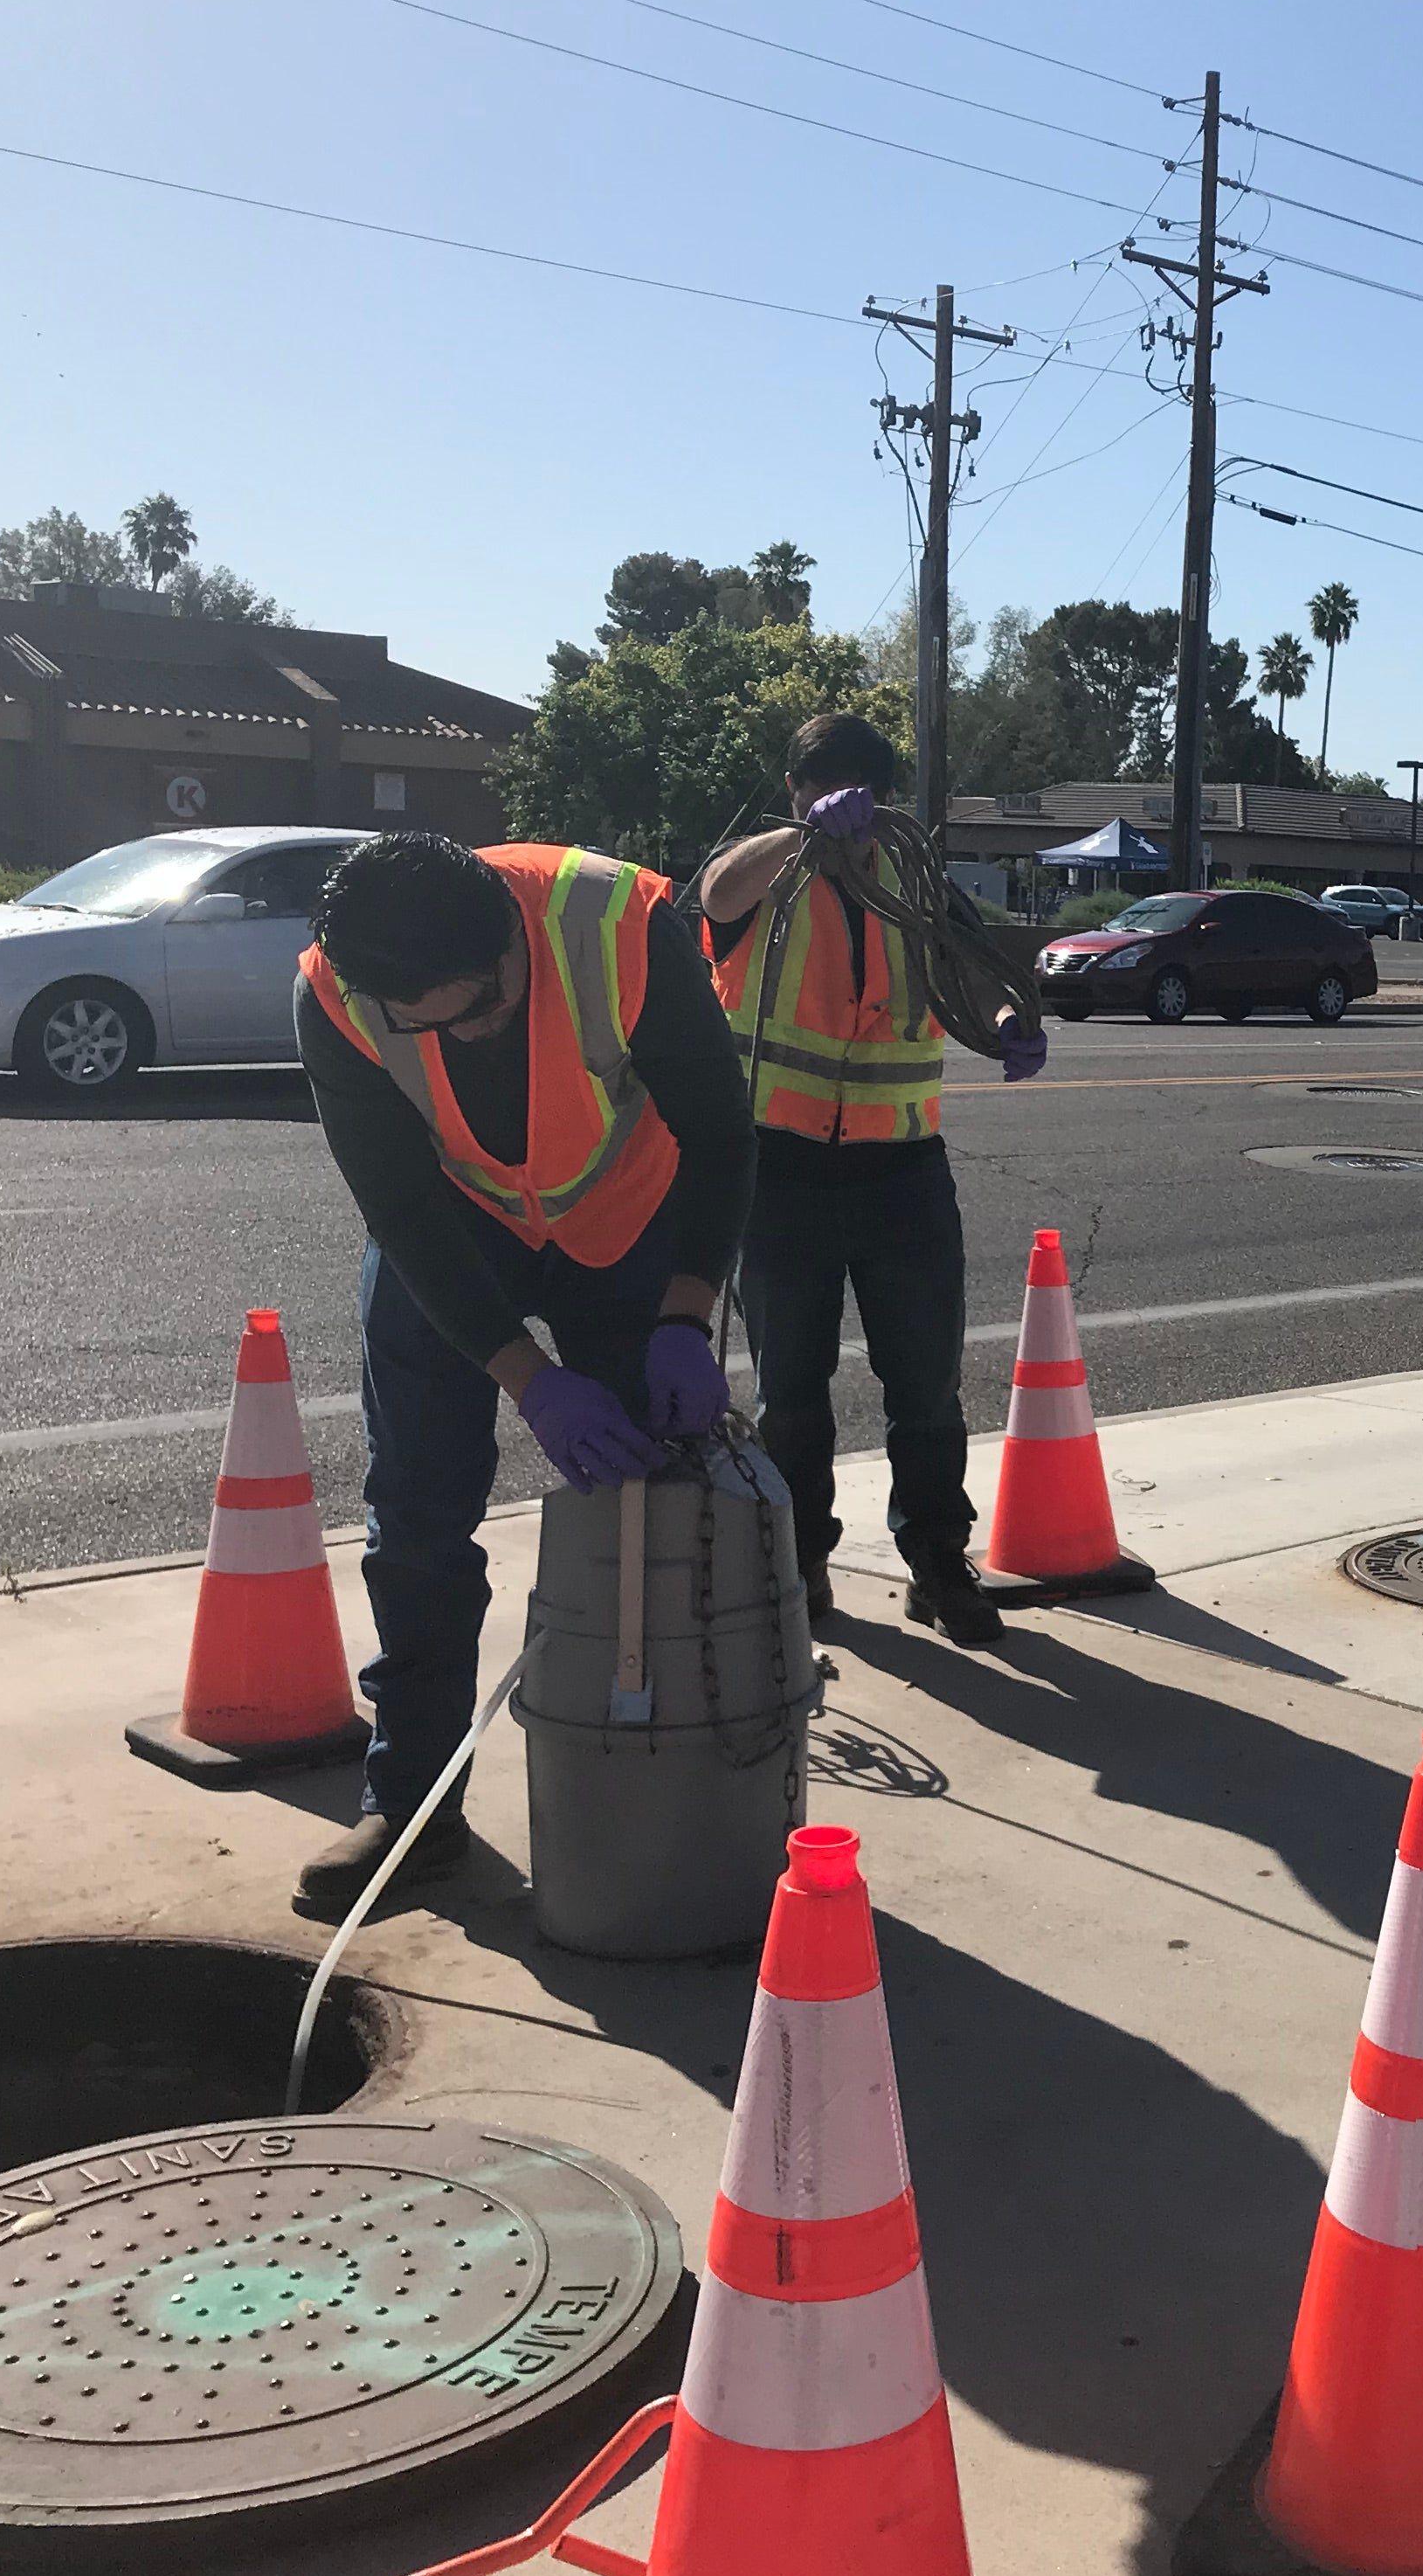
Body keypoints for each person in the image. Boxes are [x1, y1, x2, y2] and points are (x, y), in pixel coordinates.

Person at [294, 830, 756, 1907]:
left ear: (509, 941)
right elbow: (398, 1204)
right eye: (427, 1024)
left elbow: (725, 1137)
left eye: (477, 1007)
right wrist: (525, 1376)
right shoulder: (340, 992)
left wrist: (685, 1314)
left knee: (653, 1504)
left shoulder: (620, 927)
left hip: (624, 1219)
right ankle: (410, 1811)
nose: (458, 1035)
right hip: (453, 1233)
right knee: (413, 1519)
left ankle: (660, 1786)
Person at [695, 713, 1047, 1647]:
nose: (848, 810)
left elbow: (978, 972)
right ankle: (799, 1561)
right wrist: (802, 835)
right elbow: (714, 890)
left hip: (902, 1170)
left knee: (925, 1385)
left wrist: (1011, 1018)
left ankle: (937, 1559)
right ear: (795, 793)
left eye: (860, 792)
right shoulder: (765, 878)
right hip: (779, 1171)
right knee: (790, 1392)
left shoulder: (913, 879)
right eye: (822, 790)